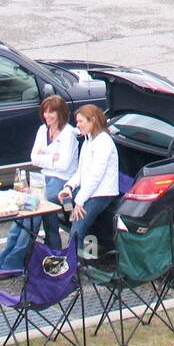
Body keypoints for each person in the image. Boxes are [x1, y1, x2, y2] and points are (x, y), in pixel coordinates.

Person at [0, 96, 80, 269]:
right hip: (43, 178)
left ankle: (14, 263)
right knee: (34, 215)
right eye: (45, 111)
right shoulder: (43, 130)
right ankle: (51, 257)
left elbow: (64, 166)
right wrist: (52, 157)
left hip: (62, 182)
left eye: (52, 112)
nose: (47, 115)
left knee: (31, 211)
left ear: (61, 113)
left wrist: (44, 156)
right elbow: (33, 158)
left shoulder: (69, 134)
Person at [59, 105, 120, 255]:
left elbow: (95, 176)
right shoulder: (88, 141)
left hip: (102, 194)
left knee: (76, 232)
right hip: (90, 192)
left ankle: (74, 269)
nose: (77, 125)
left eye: (80, 121)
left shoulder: (103, 142)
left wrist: (79, 200)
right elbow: (81, 172)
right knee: (79, 228)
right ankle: (83, 261)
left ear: (92, 121)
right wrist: (69, 187)